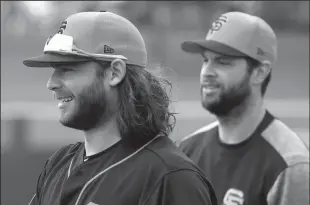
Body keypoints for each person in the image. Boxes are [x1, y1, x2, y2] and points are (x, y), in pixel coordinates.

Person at [23, 11, 217, 205]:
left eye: (67, 68)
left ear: (114, 72)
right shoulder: (58, 164)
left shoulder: (171, 178)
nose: (52, 83)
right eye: (53, 69)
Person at [178, 11, 309, 205]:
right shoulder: (188, 150)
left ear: (260, 72)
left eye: (223, 62)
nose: (207, 72)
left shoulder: (289, 166)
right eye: (205, 60)